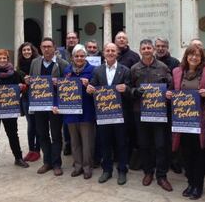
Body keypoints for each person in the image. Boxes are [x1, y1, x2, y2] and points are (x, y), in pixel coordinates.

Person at [167, 44, 205, 199]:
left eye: (197, 55)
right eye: (191, 55)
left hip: (201, 120)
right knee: (186, 153)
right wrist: (168, 94)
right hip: (182, 120)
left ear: (201, 58)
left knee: (199, 154)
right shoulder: (177, 72)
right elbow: (172, 91)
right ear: (186, 56)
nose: (194, 58)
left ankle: (198, 186)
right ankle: (190, 183)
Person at [130, 39, 173, 192]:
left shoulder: (163, 67)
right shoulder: (134, 68)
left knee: (161, 145)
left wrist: (169, 93)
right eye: (144, 48)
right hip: (140, 112)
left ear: (153, 49)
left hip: (159, 112)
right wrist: (135, 92)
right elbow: (129, 88)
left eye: (149, 48)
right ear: (140, 50)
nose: (147, 50)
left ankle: (162, 175)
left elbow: (171, 85)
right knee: (144, 144)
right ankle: (148, 172)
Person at [87, 42, 131, 185]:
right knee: (105, 142)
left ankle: (122, 170)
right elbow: (93, 85)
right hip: (104, 114)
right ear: (104, 53)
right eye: (108, 50)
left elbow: (130, 89)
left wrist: (126, 88)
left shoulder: (125, 70)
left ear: (117, 52)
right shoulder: (97, 70)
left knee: (121, 143)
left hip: (120, 114)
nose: (111, 53)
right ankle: (107, 170)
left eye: (113, 50)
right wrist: (90, 88)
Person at [53, 44, 96, 179]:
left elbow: (98, 89)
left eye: (82, 56)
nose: (79, 58)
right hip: (70, 112)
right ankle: (77, 166)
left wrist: (89, 85)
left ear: (86, 57)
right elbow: (60, 91)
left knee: (87, 141)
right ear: (72, 57)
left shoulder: (93, 70)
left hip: (86, 111)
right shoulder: (66, 71)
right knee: (74, 141)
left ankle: (87, 167)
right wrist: (56, 105)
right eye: (76, 56)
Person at [28, 37, 68, 176]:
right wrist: (28, 80)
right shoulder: (35, 62)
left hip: (55, 106)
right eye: (44, 46)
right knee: (42, 134)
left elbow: (68, 84)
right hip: (39, 105)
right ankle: (47, 162)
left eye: (49, 46)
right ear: (40, 48)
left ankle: (57, 163)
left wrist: (60, 83)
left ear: (54, 47)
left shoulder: (62, 63)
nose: (46, 49)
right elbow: (33, 81)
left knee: (56, 135)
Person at [154, 37, 182, 174]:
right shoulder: (151, 62)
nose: (160, 48)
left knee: (173, 135)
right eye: (158, 46)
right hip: (154, 106)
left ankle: (174, 161)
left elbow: (178, 82)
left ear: (167, 47)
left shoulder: (175, 62)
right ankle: (160, 162)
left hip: (171, 105)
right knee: (159, 137)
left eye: (163, 46)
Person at [114, 31, 141, 170]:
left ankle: (130, 158)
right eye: (119, 38)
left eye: (124, 38)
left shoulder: (134, 56)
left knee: (129, 132)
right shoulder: (109, 55)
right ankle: (117, 157)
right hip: (110, 103)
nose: (121, 40)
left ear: (127, 40)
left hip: (128, 102)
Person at [16, 42, 41, 162]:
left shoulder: (38, 63)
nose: (26, 52)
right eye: (24, 50)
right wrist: (21, 84)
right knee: (30, 125)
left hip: (39, 98)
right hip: (26, 98)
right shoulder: (19, 67)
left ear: (33, 51)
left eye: (29, 50)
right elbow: (15, 82)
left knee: (39, 124)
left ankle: (37, 150)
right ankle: (32, 150)